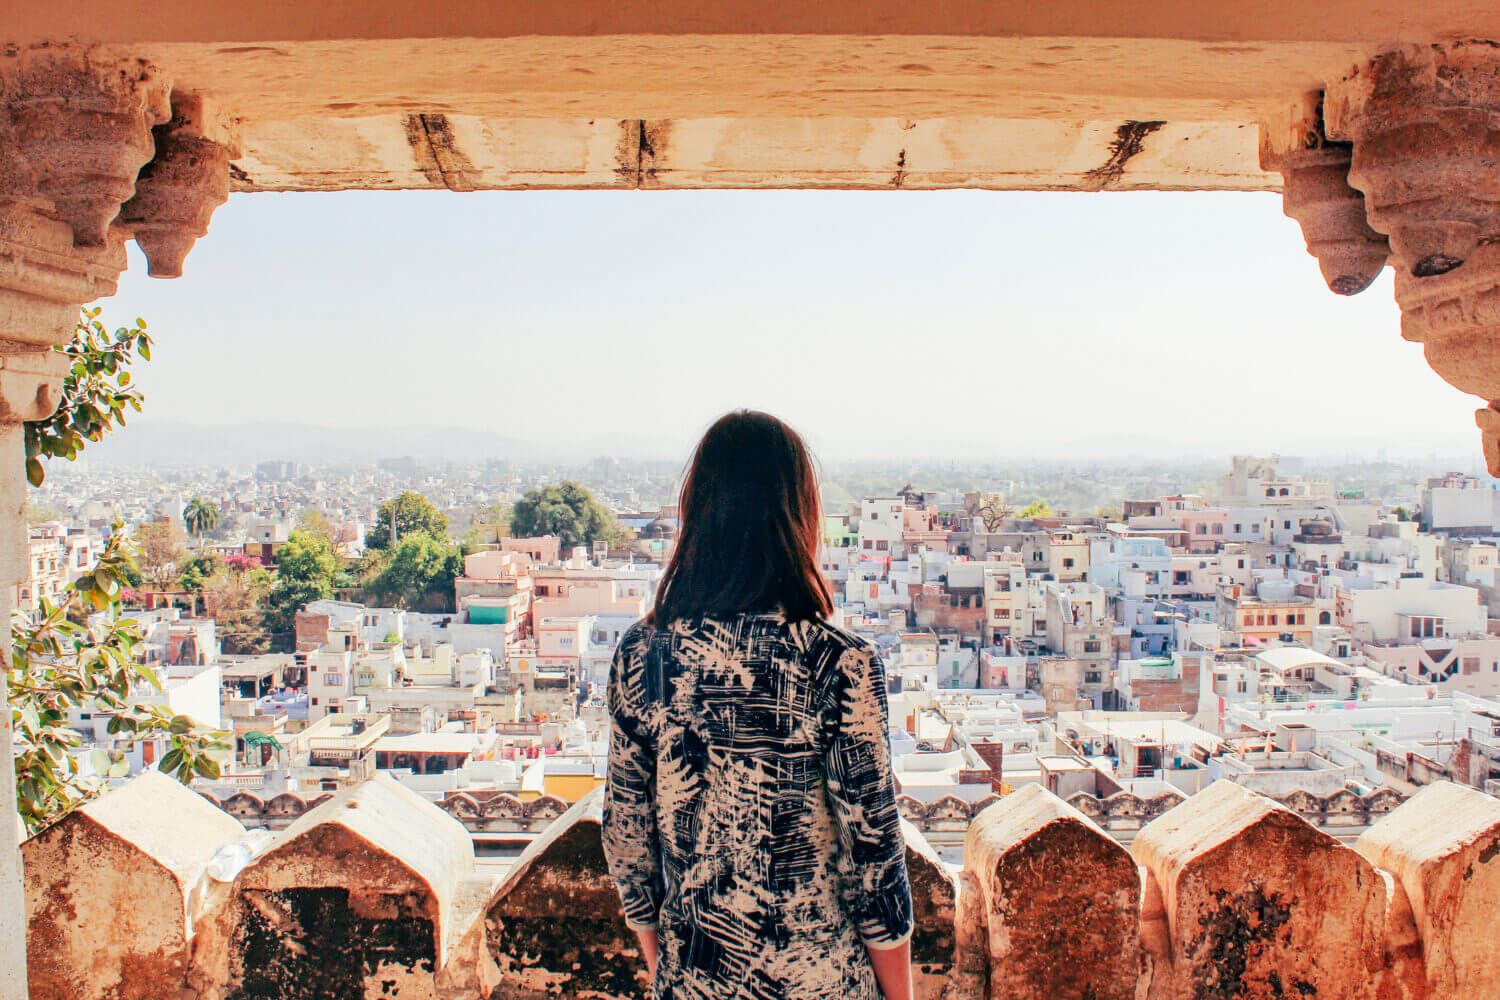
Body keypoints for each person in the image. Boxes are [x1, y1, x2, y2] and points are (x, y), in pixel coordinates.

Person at [602, 410, 913, 1000]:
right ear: (798, 515)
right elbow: (873, 861)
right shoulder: (838, 661)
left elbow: (626, 838)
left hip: (695, 978)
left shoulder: (644, 654)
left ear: (697, 513)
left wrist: (669, 967)